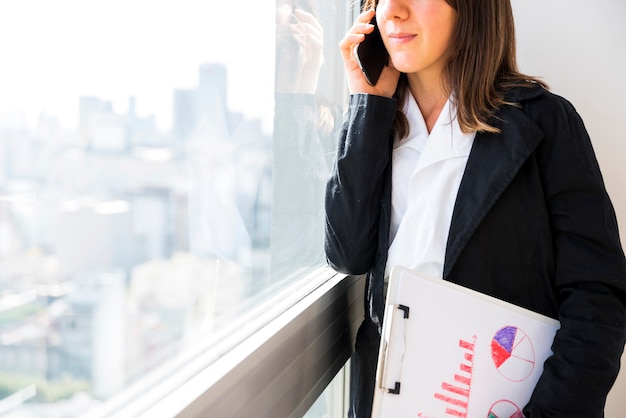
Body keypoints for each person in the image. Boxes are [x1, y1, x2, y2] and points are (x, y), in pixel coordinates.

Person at [324, 0, 626, 417]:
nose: (391, 11)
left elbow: (597, 298)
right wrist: (367, 104)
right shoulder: (380, 122)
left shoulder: (545, 123)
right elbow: (347, 253)